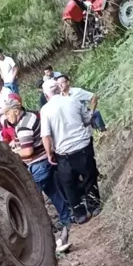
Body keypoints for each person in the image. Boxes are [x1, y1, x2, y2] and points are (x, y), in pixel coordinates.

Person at [3, 99, 72, 251]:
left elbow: (28, 152)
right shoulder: (30, 116)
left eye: (7, 113)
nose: (6, 117)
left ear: (15, 111)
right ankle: (67, 219)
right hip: (44, 161)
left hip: (38, 164)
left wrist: (12, 152)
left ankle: (46, 233)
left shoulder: (23, 126)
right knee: (53, 192)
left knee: (34, 200)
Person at [40, 86, 100, 222]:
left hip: (64, 152)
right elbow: (86, 120)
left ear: (46, 95)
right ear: (59, 90)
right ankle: (94, 206)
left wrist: (49, 153)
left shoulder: (45, 110)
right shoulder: (73, 101)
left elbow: (46, 136)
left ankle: (80, 214)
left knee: (68, 183)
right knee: (89, 176)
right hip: (82, 145)